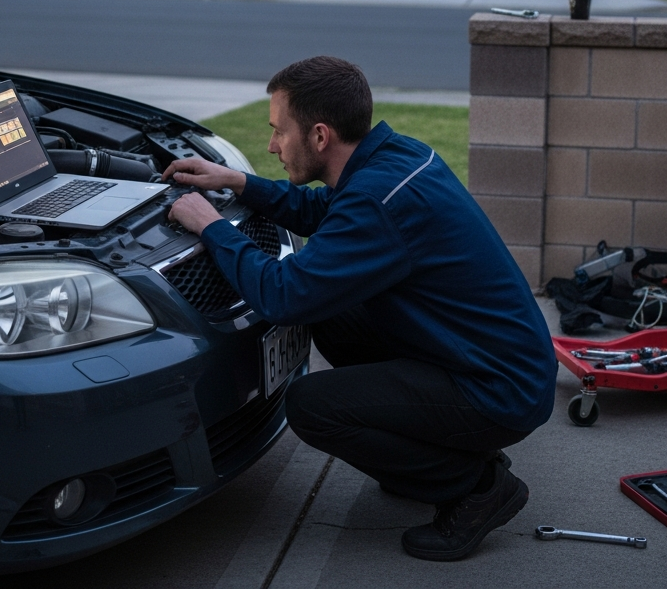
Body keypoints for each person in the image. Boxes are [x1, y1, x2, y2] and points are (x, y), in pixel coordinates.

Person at [164, 56, 556, 561]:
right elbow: (322, 212)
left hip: (498, 390)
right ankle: (438, 451)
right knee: (332, 312)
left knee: (312, 405)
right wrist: (238, 183)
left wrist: (210, 226)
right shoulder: (392, 159)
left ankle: (476, 487)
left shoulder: (376, 200)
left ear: (321, 136)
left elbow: (282, 295)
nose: (271, 145)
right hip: (487, 362)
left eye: (279, 132)